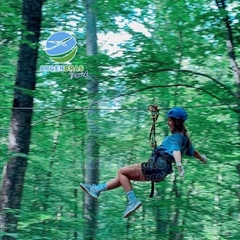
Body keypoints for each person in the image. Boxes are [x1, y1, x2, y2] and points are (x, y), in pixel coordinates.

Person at [80, 107, 208, 218]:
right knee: (123, 176)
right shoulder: (185, 139)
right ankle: (96, 189)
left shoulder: (175, 138)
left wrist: (179, 164)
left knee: (121, 171)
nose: (168, 123)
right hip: (161, 172)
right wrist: (202, 158)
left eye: (170, 120)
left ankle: (132, 201)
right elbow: (193, 152)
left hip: (158, 165)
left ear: (177, 123)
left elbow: (175, 150)